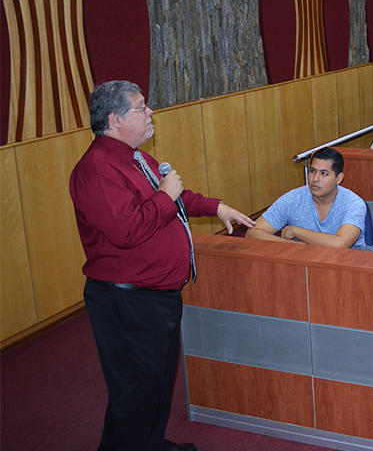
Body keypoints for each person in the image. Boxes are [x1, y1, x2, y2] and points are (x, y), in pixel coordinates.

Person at [70, 80, 255, 451]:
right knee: (134, 391)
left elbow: (174, 193)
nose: (150, 112)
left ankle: (152, 444)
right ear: (116, 119)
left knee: (156, 382)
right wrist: (165, 196)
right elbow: (128, 230)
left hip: (155, 296)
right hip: (127, 302)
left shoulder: (134, 157)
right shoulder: (98, 170)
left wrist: (214, 206)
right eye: (142, 108)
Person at [246, 147, 369, 249]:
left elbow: (340, 244)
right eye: (312, 171)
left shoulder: (353, 203)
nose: (315, 179)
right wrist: (296, 245)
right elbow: (252, 233)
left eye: (324, 174)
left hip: (346, 265)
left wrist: (295, 231)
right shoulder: (293, 198)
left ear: (339, 178)